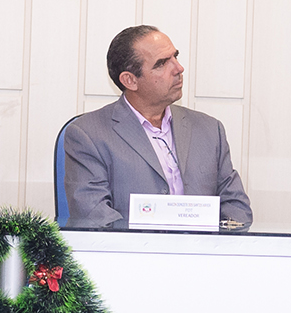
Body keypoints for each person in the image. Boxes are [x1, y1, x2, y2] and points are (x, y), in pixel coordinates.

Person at [62, 25, 251, 228]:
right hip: (132, 248)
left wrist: (212, 241)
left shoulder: (209, 129)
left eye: (175, 57)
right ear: (130, 80)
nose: (178, 68)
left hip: (202, 247)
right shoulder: (88, 134)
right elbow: (94, 217)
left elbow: (237, 208)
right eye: (161, 63)